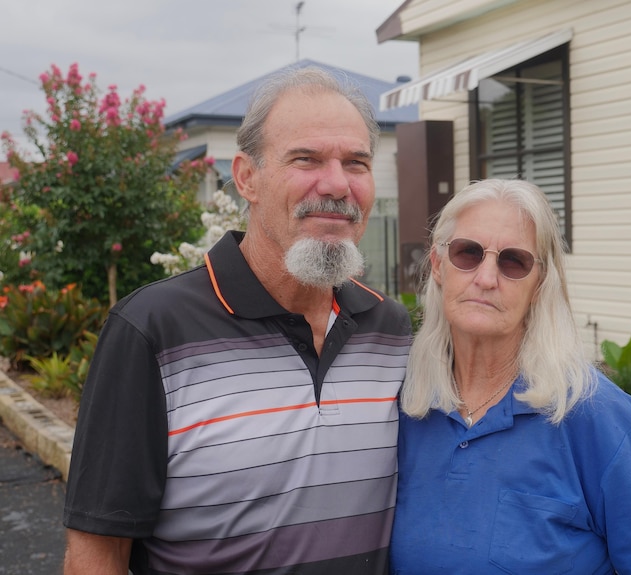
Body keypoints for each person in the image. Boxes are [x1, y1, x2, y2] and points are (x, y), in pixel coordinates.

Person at [62, 66, 412, 574]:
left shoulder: (390, 329)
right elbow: (96, 555)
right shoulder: (153, 330)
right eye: (306, 159)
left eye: (356, 163)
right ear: (247, 178)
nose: (337, 184)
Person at [389, 179, 631, 574]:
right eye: (468, 253)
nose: (486, 277)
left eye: (514, 261)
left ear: (540, 285)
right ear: (438, 265)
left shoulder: (598, 418)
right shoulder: (404, 403)